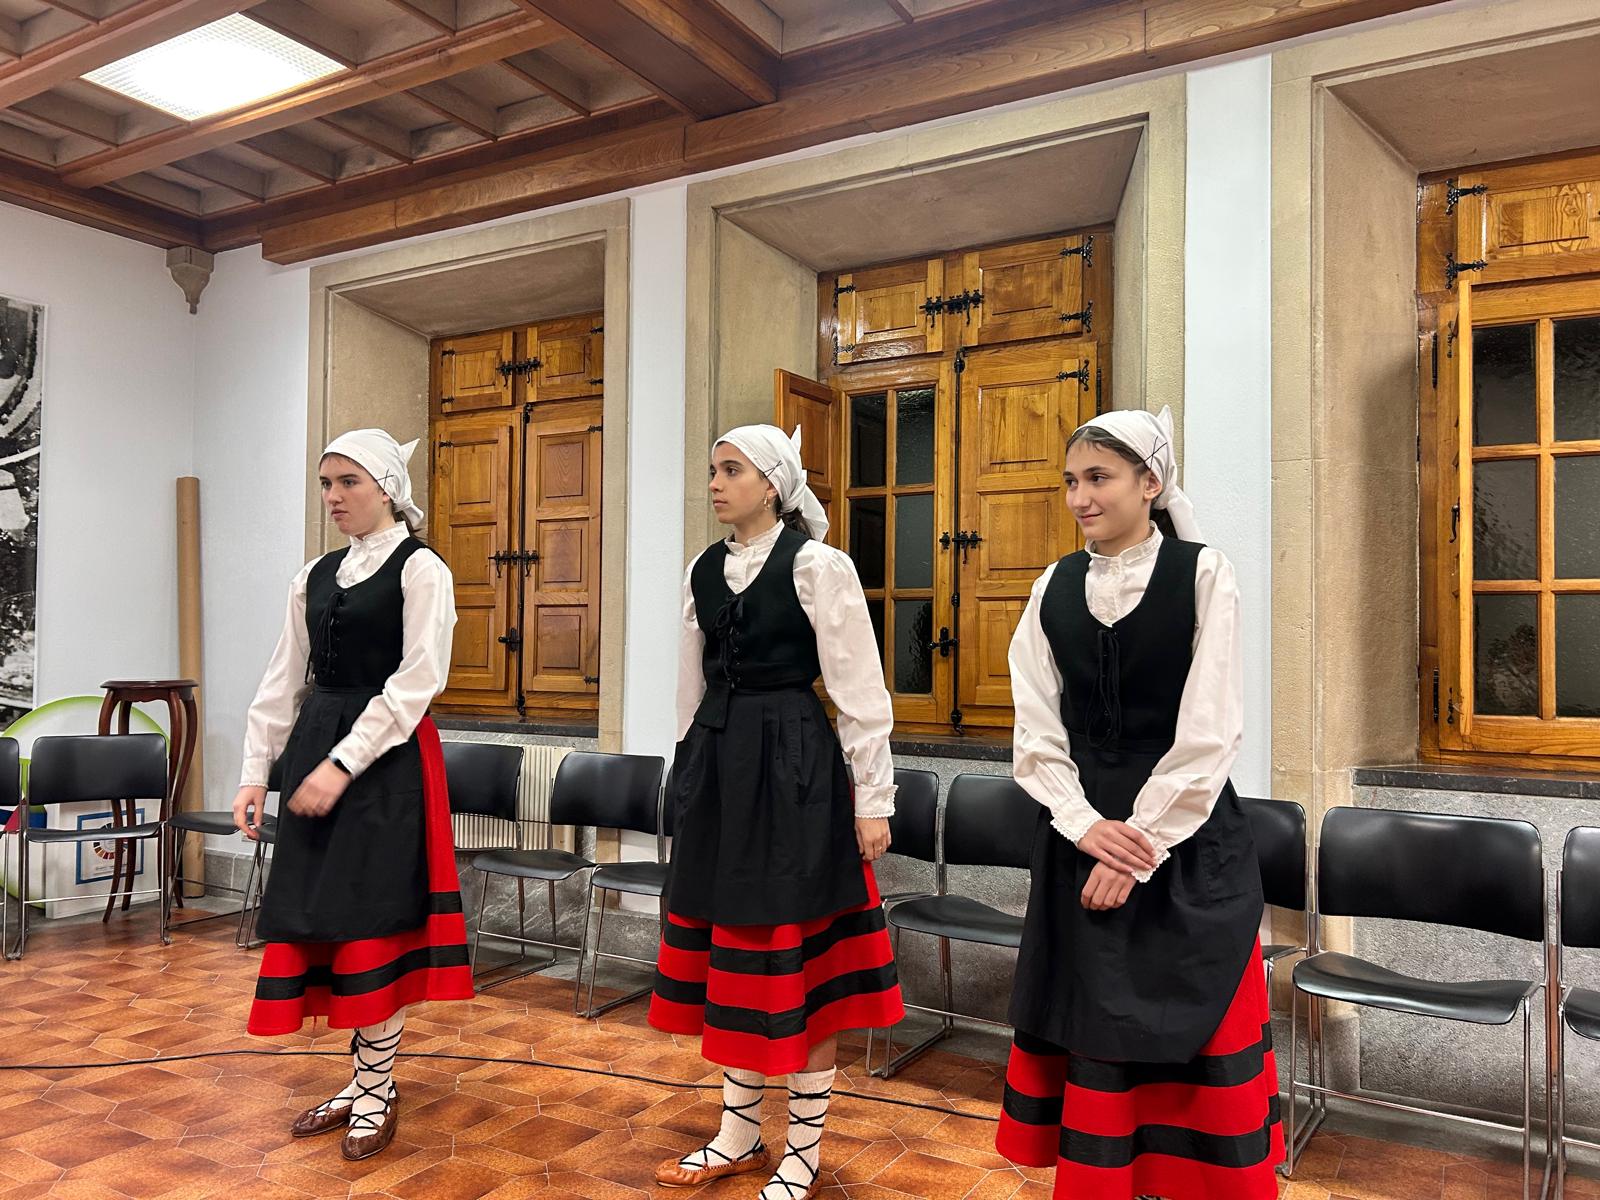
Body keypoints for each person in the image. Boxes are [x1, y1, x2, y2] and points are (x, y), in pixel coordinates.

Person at [994, 407, 1282, 1199]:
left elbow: (1211, 728)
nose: (1079, 498)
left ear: (1150, 482)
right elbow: (1035, 729)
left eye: (1098, 478)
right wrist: (1085, 825)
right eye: (1070, 482)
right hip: (1078, 837)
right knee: (1096, 1033)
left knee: (1187, 1027)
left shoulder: (1204, 573)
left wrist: (1140, 845)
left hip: (1186, 840)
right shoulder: (1053, 585)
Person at [649, 424, 905, 1200]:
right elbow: (690, 686)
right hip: (719, 771)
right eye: (713, 470)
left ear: (773, 484)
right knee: (734, 959)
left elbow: (860, 691)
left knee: (798, 962)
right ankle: (737, 1134)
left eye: (731, 470)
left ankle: (802, 1152)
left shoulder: (818, 566)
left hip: (794, 769)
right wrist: (686, 774)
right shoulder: (702, 569)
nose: (715, 483)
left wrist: (874, 800)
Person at [232, 429, 472, 1162]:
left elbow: (417, 682)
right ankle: (367, 1081)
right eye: (325, 483)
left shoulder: (421, 568)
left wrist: (344, 762)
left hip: (385, 759)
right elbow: (283, 677)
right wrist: (254, 769)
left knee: (373, 919)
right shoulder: (314, 574)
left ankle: (375, 1089)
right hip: (317, 745)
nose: (332, 497)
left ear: (388, 489)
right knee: (329, 917)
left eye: (347, 483)